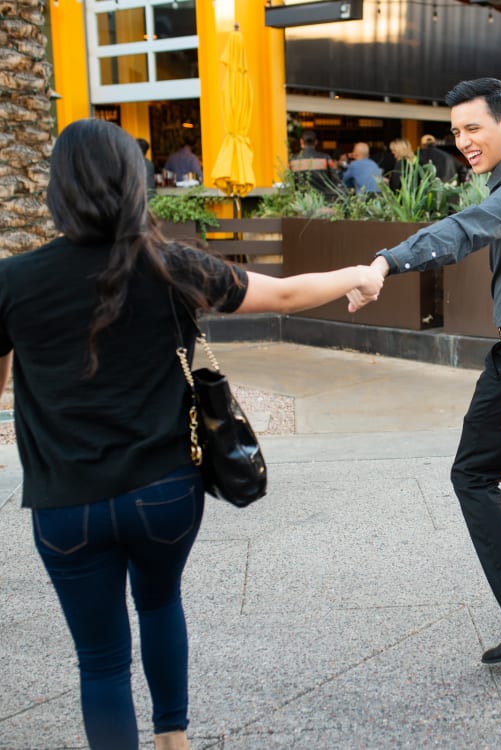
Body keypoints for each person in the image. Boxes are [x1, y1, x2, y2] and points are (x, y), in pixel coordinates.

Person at [0, 118, 383, 750]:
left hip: (66, 503)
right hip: (165, 493)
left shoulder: (12, 283)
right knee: (158, 604)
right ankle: (173, 740)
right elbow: (284, 294)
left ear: (56, 189)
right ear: (134, 184)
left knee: (99, 662)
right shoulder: (169, 265)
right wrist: (359, 275)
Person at [348, 77, 501, 664]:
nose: (463, 141)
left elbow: (468, 228)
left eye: (473, 128)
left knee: (472, 474)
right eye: (456, 131)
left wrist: (385, 261)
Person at [289, 129, 340, 199]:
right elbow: (336, 180)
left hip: (301, 202)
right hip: (323, 201)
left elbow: (289, 183)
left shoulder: (293, 161)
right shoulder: (326, 159)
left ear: (301, 141)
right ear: (316, 142)